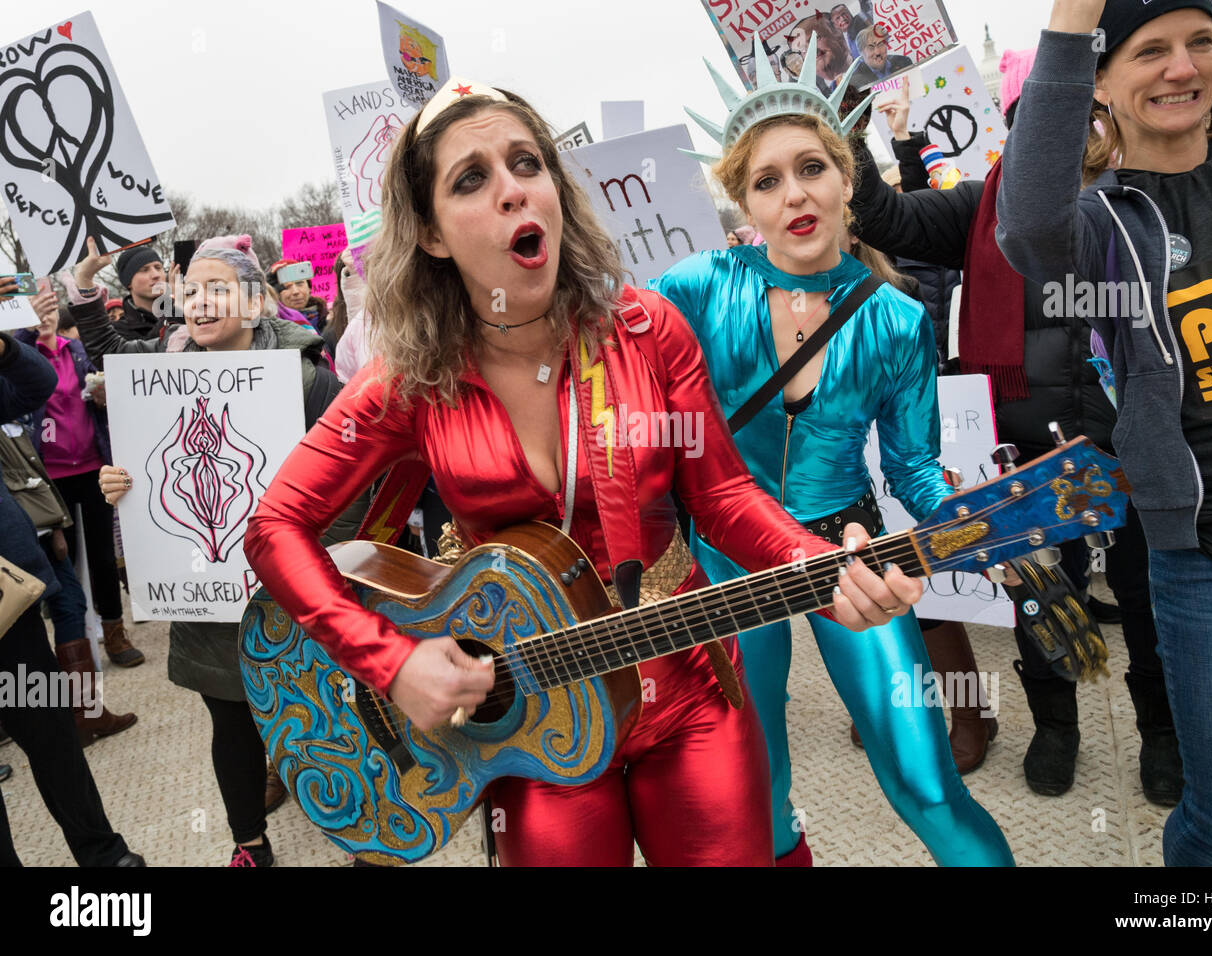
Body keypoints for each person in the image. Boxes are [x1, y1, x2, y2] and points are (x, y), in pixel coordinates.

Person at [240, 77, 925, 867]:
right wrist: (387, 662)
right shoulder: (408, 379)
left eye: (527, 164)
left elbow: (726, 495)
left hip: (691, 690)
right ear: (431, 234)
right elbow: (273, 527)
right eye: (472, 178)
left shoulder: (647, 328)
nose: (512, 190)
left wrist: (819, 567)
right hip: (532, 724)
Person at [663, 39, 1013, 865]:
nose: (795, 195)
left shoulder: (895, 318)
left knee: (925, 779)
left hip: (846, 551)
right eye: (767, 180)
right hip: (722, 558)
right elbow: (610, 377)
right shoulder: (698, 285)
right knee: (758, 780)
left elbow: (914, 470)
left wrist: (981, 524)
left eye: (812, 167)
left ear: (847, 178)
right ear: (744, 198)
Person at [997, 0, 1212, 866]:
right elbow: (1026, 223)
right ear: (1098, 82)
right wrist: (1073, 16)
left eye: (1201, 43)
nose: (1183, 68)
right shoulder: (1101, 225)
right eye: (1149, 52)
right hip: (1210, 551)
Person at [852, 59, 1181, 805]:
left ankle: (1161, 733)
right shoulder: (984, 206)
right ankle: (1054, 728)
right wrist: (849, 131)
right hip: (1025, 450)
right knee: (1039, 595)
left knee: (1148, 596)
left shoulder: (1150, 193)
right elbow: (887, 219)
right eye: (1038, 111)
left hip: (1139, 442)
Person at [75, 233, 365, 866]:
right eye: (192, 291)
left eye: (217, 289)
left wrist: (314, 577)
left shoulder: (311, 382)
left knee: (320, 720)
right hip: (209, 599)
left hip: (296, 596)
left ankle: (357, 837)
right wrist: (118, 485)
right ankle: (249, 843)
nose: (200, 303)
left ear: (256, 304)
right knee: (231, 722)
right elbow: (151, 476)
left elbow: (353, 492)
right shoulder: (160, 383)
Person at [0, 282, 144, 867]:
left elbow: (36, 386)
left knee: (50, 732)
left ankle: (103, 855)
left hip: (6, 603)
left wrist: (5, 349)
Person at [15, 289, 145, 670]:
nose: (45, 316)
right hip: (47, 477)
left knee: (104, 556)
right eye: (35, 310)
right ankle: (74, 642)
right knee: (63, 560)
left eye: (50, 308)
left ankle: (114, 631)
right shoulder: (20, 358)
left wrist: (105, 396)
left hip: (91, 466)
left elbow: (105, 392)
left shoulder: (76, 350)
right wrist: (23, 332)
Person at [113, 246, 169, 341]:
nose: (156, 275)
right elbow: (149, 351)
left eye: (158, 267)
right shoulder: (117, 331)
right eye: (144, 270)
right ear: (129, 282)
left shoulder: (187, 312)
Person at [268, 259, 329, 331]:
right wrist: (265, 285)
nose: (295, 291)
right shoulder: (271, 325)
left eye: (299, 283)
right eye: (287, 287)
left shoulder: (329, 318)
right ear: (276, 292)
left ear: (309, 287)